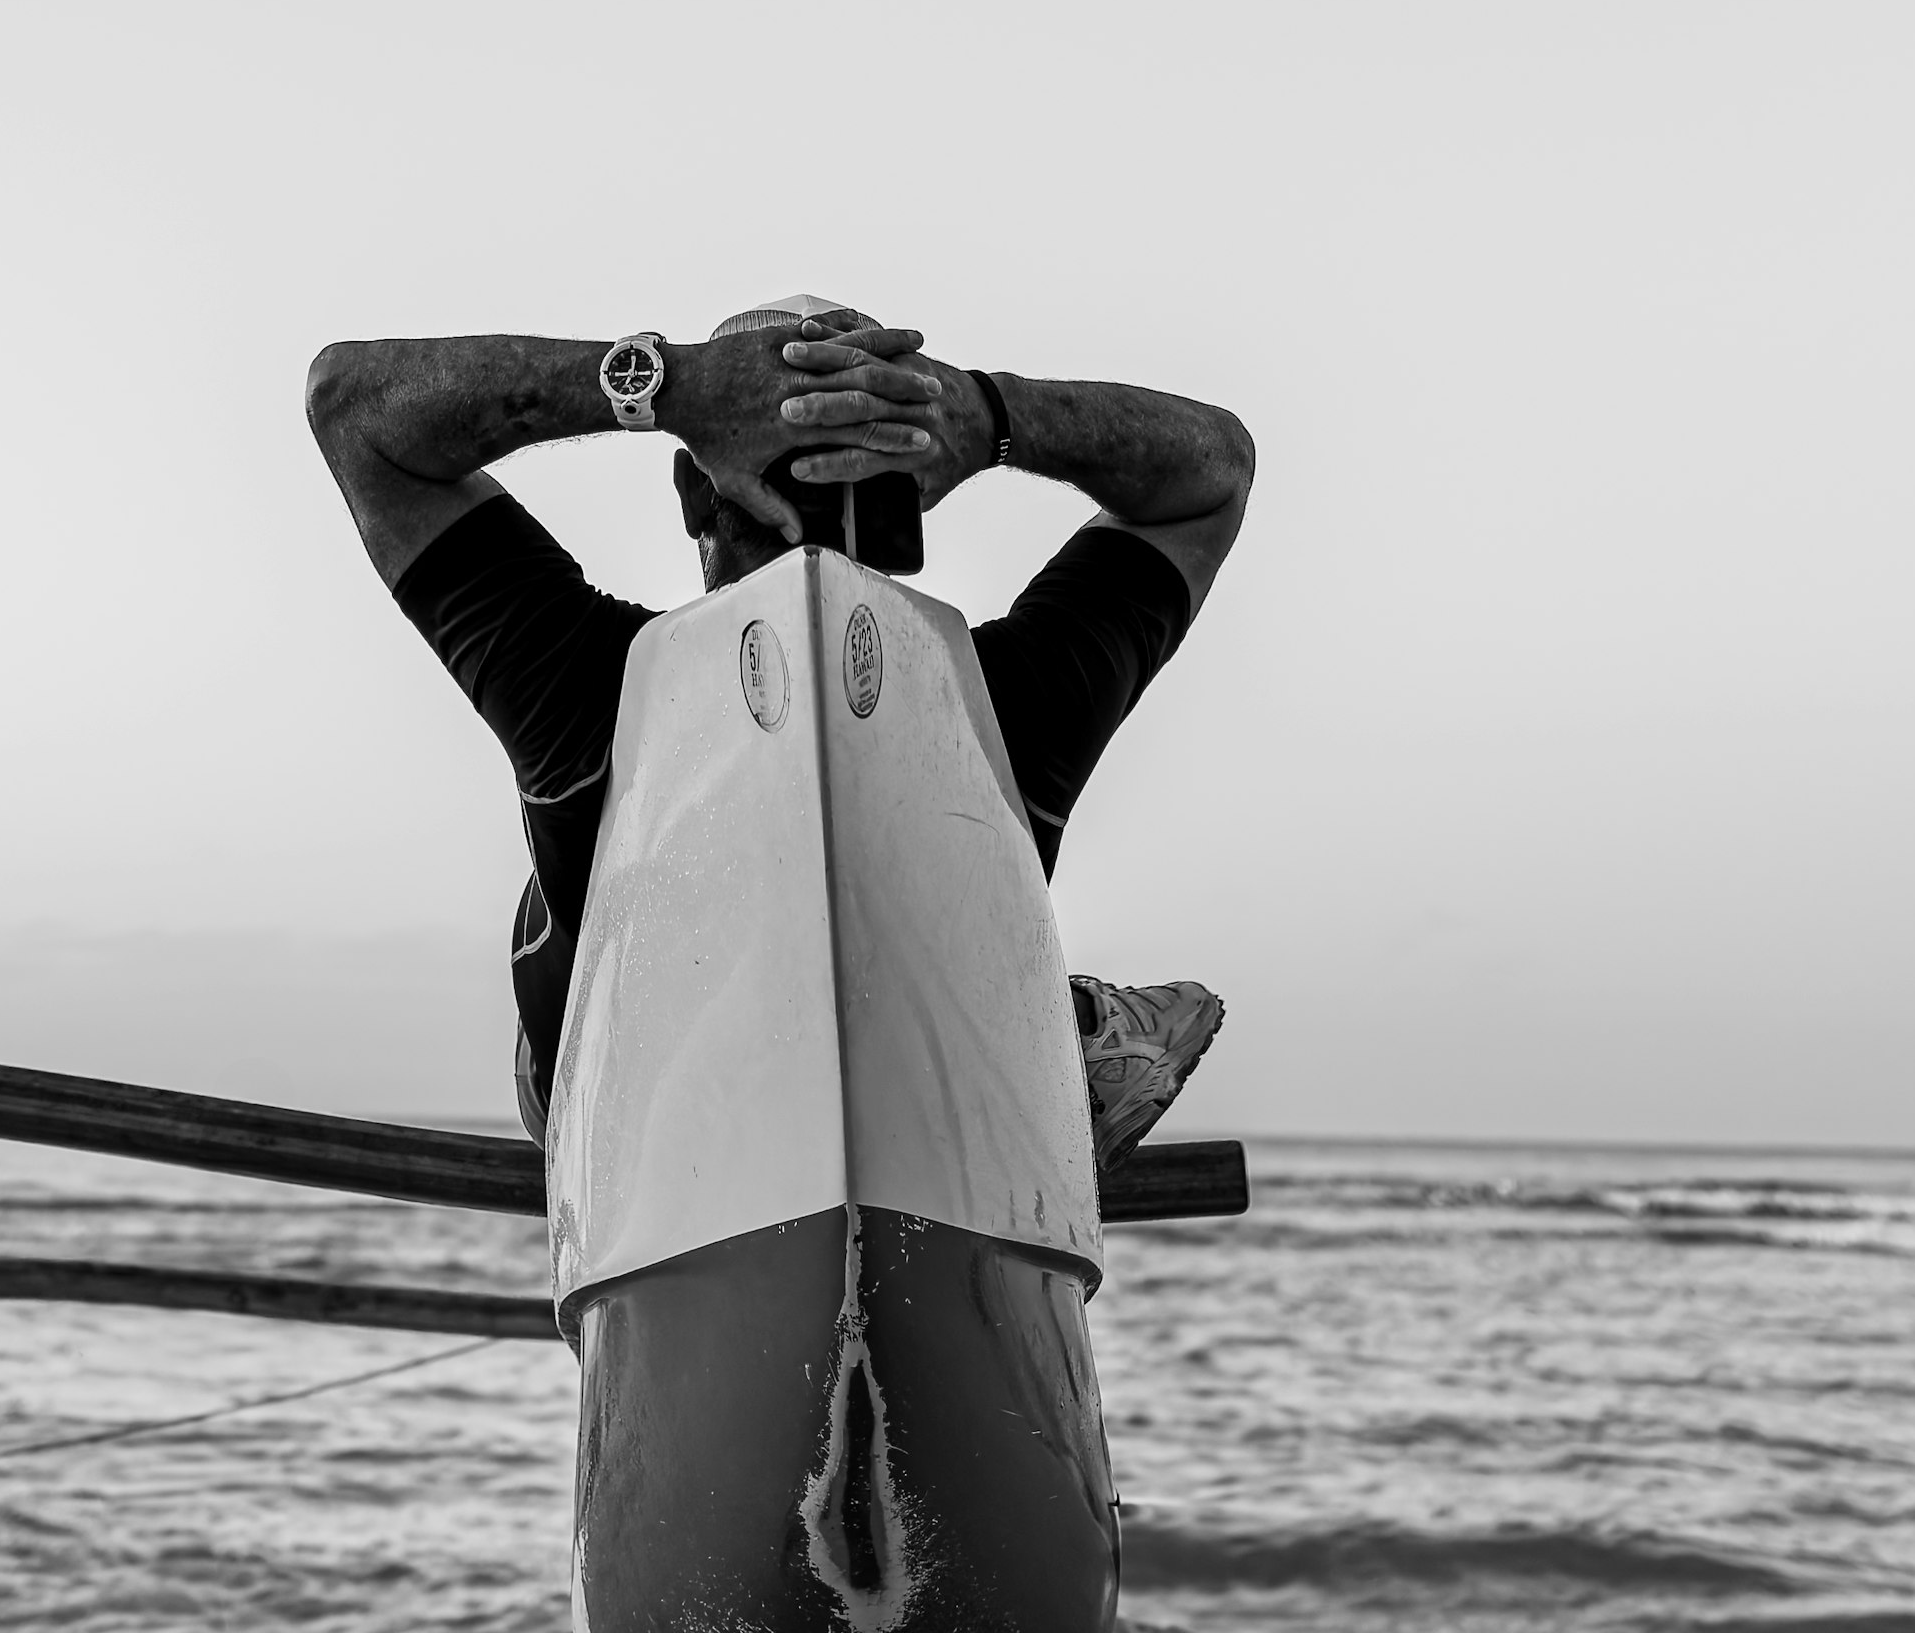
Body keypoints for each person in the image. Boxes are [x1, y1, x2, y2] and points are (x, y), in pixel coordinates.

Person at [302, 300, 1253, 1149]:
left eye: (843, 452)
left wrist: (987, 413)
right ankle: (1071, 1032)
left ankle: (1061, 1030)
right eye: (784, 450)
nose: (809, 513)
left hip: (884, 1066)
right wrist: (672, 383)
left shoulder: (586, 677)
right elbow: (347, 397)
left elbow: (361, 417)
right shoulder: (999, 702)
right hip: (586, 1071)